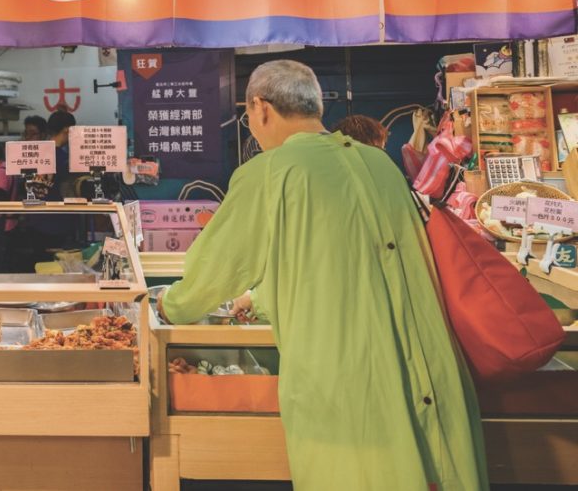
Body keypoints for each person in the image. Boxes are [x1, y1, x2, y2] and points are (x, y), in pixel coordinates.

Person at [159, 60, 486, 491]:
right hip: (431, 366)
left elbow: (213, 271)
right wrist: (257, 300)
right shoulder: (380, 164)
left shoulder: (268, 172)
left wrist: (171, 305)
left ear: (259, 108)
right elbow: (328, 260)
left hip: (349, 379)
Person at [44, 110, 76, 201]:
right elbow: (66, 191)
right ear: (67, 129)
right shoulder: (64, 159)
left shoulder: (38, 153)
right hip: (59, 210)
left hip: (36, 210)